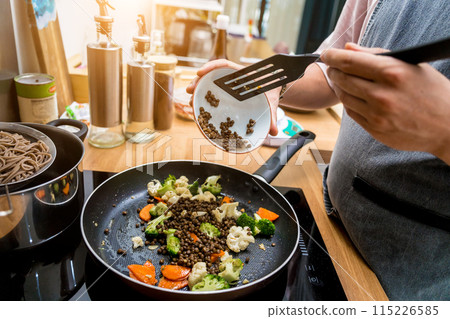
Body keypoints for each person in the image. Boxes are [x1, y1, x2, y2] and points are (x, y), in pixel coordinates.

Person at [187, 0, 450, 300]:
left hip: (416, 278)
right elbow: (328, 73)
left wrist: (444, 127)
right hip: (332, 226)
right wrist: (273, 83)